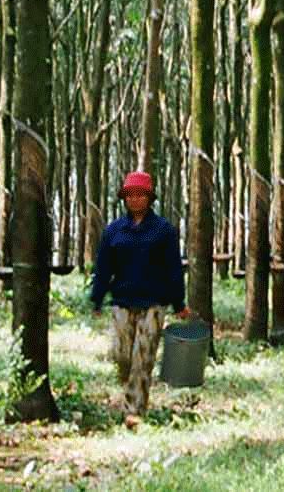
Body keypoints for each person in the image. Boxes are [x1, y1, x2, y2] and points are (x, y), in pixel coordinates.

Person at [91, 171, 190, 422]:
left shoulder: (164, 231)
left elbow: (173, 269)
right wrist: (97, 298)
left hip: (153, 304)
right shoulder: (113, 231)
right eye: (130, 195)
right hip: (122, 302)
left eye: (140, 195)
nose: (134, 200)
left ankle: (134, 412)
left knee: (143, 358)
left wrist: (179, 302)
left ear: (149, 198)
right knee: (122, 356)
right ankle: (131, 395)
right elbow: (103, 268)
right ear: (124, 198)